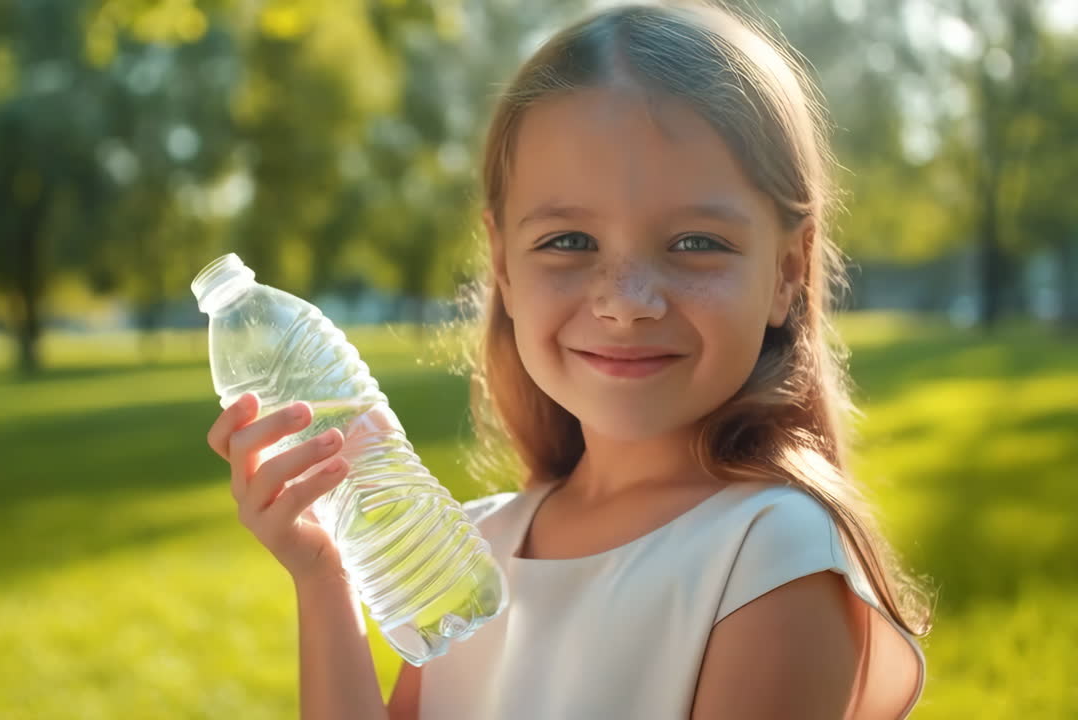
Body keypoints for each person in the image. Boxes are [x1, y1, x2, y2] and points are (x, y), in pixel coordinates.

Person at [206, 1, 933, 718]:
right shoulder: (475, 547)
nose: (626, 301)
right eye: (569, 243)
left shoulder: (772, 554)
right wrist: (324, 575)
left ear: (785, 272)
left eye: (695, 243)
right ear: (502, 264)